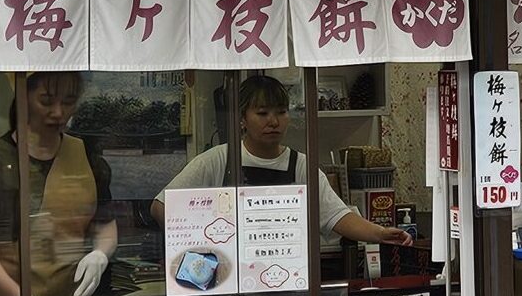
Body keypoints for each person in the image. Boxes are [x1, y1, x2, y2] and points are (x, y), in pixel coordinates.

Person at [154, 75, 412, 248]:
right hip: (227, 287)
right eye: (262, 113)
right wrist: (205, 238)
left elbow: (336, 215)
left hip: (287, 283)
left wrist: (379, 233)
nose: (273, 121)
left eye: (281, 112)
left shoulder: (301, 166)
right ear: (242, 118)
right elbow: (160, 206)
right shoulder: (218, 160)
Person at [0, 72, 119, 296]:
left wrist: (100, 254)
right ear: (23, 98)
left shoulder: (87, 159)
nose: (58, 112)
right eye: (46, 101)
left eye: (68, 101)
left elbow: (105, 225)